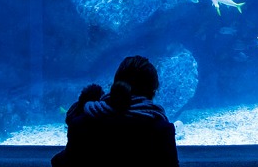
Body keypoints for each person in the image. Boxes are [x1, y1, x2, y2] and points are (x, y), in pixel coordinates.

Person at [50, 55, 178, 167]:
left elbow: (59, 162)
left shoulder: (82, 123)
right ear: (153, 91)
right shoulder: (161, 130)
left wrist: (76, 114)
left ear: (116, 84)